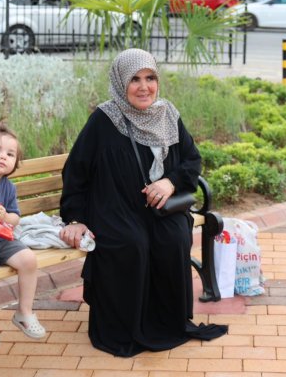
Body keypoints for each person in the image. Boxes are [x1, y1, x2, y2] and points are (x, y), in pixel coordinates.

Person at [59, 49, 228, 357]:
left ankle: (166, 322)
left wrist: (170, 181)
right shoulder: (104, 119)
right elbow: (76, 173)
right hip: (116, 208)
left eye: (150, 78)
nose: (143, 87)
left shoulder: (168, 114)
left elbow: (192, 160)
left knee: (173, 238)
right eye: (134, 79)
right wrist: (75, 218)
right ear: (121, 82)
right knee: (131, 243)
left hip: (162, 208)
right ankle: (123, 327)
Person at [0, 124, 46, 349]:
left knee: (28, 260)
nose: (3, 157)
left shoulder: (8, 187)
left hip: (2, 240)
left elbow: (15, 217)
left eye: (10, 154)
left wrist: (6, 215)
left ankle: (24, 312)